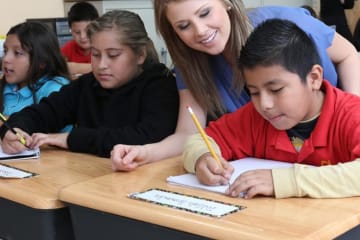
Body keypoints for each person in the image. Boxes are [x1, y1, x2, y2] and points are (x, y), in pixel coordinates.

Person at [110, 0, 360, 172]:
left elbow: (349, 54)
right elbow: (190, 134)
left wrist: (346, 116)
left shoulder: (283, 25)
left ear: (226, 3)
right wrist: (145, 153)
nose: (200, 31)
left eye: (205, 13)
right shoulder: (191, 65)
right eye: (183, 26)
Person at [183, 18, 360, 199]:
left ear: (314, 78)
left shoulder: (351, 115)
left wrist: (286, 181)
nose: (264, 105)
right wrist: (202, 158)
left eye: (276, 90)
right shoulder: (255, 118)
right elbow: (201, 140)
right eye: (254, 92)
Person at [0, 10, 179, 158]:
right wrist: (14, 131)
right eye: (95, 54)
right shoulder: (87, 85)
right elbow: (44, 112)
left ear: (140, 55)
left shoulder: (161, 85)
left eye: (113, 55)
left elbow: (147, 137)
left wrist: (71, 139)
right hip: (88, 180)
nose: (101, 65)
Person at [0, 21, 70, 125]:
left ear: (41, 61)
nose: (5, 59)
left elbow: (57, 134)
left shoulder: (55, 90)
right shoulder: (5, 85)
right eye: (5, 51)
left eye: (17, 53)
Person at [61, 1, 99, 79]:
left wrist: (75, 67)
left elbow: (108, 67)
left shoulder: (101, 46)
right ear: (71, 31)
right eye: (77, 32)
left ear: (97, 28)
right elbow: (57, 67)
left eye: (87, 31)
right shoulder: (69, 48)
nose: (82, 37)